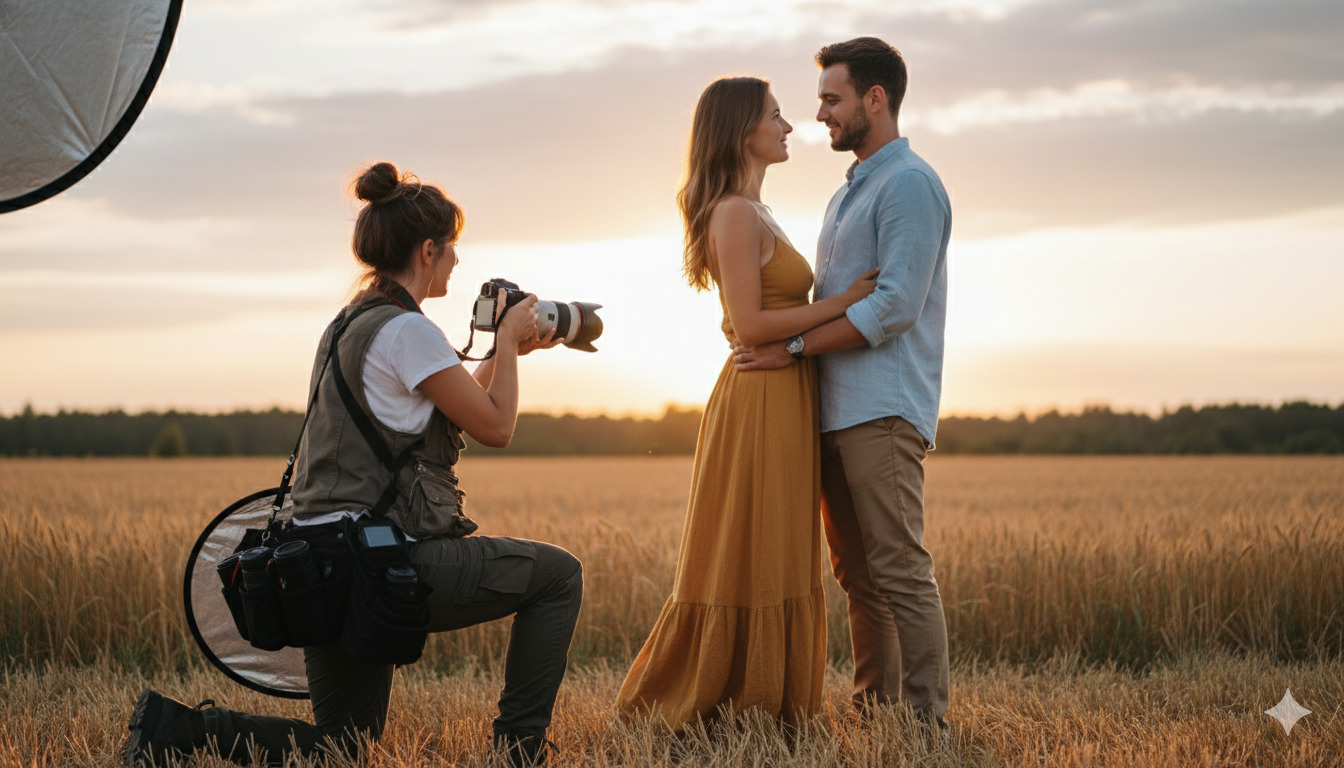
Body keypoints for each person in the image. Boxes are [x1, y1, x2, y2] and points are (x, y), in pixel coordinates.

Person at [123, 162, 583, 767]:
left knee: (343, 750)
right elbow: (496, 427)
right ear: (427, 250)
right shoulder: (409, 330)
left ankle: (175, 731)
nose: (456, 261)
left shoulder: (351, 323)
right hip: (375, 564)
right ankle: (520, 752)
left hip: (316, 565)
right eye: (451, 248)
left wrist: (505, 349)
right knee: (558, 576)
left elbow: (455, 407)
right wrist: (506, 344)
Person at [615, 77, 877, 729]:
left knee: (779, 545)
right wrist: (847, 303)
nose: (789, 127)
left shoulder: (757, 210)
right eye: (776, 116)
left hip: (785, 389)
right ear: (742, 132)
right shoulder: (733, 212)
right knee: (752, 545)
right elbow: (752, 324)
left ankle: (775, 704)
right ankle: (732, 699)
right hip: (759, 394)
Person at [733, 37, 953, 731]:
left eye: (833, 99)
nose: (820, 113)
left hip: (881, 408)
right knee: (859, 576)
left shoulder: (908, 184)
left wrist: (792, 348)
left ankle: (925, 727)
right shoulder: (848, 194)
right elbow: (829, 301)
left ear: (874, 99)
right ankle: (878, 715)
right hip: (831, 411)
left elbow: (894, 307)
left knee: (899, 569)